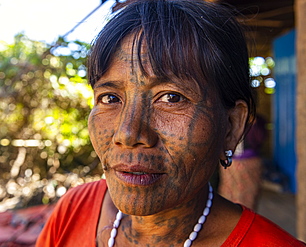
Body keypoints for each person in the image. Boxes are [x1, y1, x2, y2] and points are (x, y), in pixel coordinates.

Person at [36, 0, 306, 246]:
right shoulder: (75, 209)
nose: (128, 133)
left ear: (231, 126)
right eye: (110, 97)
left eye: (171, 98)